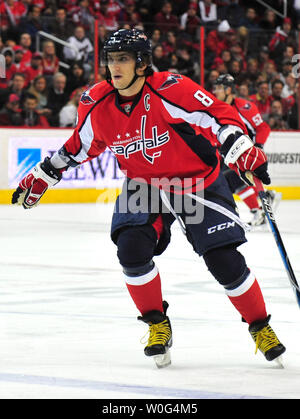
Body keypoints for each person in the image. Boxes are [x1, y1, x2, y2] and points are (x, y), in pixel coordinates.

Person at [12, 29, 286, 369]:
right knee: (130, 249)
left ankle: (260, 326)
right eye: (111, 59)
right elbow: (80, 145)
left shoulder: (170, 88)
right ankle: (157, 324)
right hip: (145, 185)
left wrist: (240, 145)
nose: (115, 67)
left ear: (142, 63)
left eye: (123, 59)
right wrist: (44, 174)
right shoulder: (97, 101)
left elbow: (217, 115)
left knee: (223, 261)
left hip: (196, 182)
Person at [213, 74, 281, 226]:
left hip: (246, 152)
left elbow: (263, 127)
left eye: (218, 88)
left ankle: (257, 211)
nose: (215, 92)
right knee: (231, 182)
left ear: (228, 89)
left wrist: (258, 146)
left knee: (232, 180)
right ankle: (262, 200)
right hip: (230, 154)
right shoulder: (217, 108)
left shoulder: (245, 107)